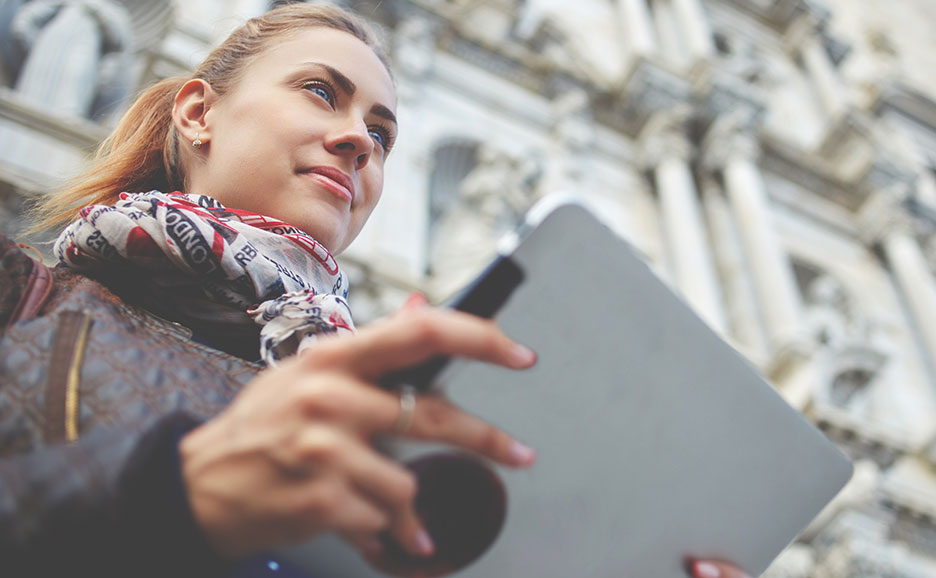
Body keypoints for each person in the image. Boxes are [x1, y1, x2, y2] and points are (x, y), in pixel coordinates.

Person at [0, 3, 752, 578]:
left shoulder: (396, 433)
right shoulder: (24, 295)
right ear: (199, 114)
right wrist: (176, 491)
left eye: (383, 134)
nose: (360, 139)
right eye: (320, 92)